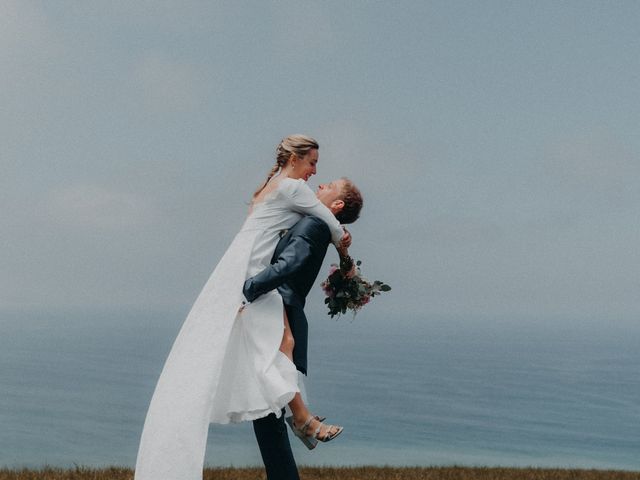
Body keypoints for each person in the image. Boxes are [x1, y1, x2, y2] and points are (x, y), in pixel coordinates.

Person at [135, 135, 351, 480]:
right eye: (312, 163)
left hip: (238, 267)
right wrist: (347, 262)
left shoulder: (271, 185)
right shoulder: (294, 189)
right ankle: (302, 420)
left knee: (277, 348)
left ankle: (301, 419)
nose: (314, 172)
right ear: (295, 159)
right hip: (253, 276)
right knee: (275, 350)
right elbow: (332, 224)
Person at [246, 178, 363, 478]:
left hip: (277, 309)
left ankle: (302, 422)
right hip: (279, 310)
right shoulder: (313, 221)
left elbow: (288, 265)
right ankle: (301, 423)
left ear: (337, 205)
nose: (320, 182)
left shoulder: (314, 226)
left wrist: (247, 287)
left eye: (330, 185)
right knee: (267, 409)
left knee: (268, 409)